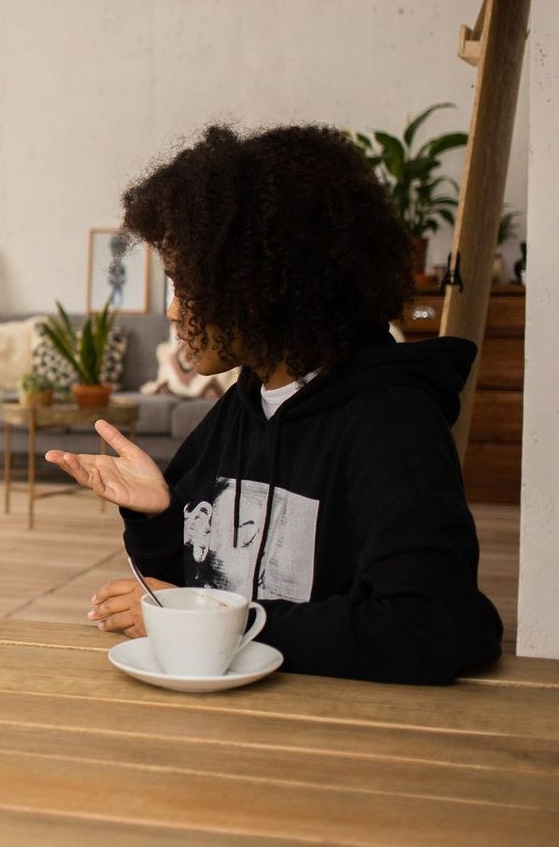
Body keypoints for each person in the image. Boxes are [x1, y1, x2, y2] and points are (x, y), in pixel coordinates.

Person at [47, 124, 503, 684]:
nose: (172, 311)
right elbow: (191, 588)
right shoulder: (244, 406)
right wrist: (157, 515)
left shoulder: (392, 425)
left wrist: (227, 626)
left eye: (186, 286)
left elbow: (430, 624)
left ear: (260, 286)